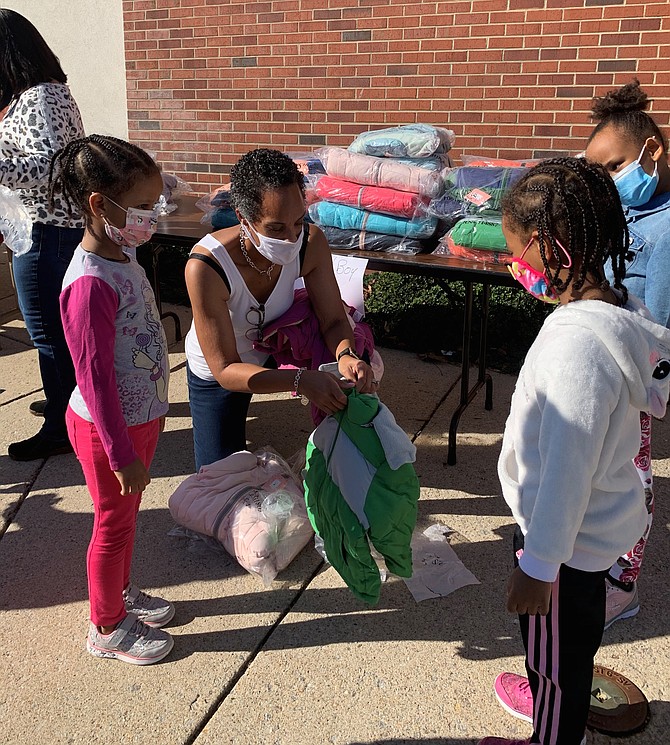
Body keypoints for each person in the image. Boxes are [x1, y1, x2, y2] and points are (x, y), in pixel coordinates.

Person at [479, 158, 670, 745]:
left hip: (562, 552)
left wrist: (537, 567)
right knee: (561, 656)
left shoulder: (576, 350)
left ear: (551, 246)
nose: (519, 269)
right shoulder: (616, 319)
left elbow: (565, 470)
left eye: (521, 255)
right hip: (578, 546)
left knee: (559, 673)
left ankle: (553, 738)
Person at [52, 135, 173, 665]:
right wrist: (119, 451)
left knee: (126, 517)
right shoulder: (88, 283)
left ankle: (120, 597)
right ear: (100, 205)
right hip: (109, 429)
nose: (152, 216)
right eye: (143, 207)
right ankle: (105, 626)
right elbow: (95, 378)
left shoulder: (121, 254)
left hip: (137, 418)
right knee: (112, 522)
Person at [184, 148, 377, 471]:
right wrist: (301, 381)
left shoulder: (310, 243)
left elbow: (332, 320)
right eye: (275, 229)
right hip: (224, 369)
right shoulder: (206, 266)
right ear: (243, 219)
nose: (290, 238)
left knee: (354, 379)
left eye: (298, 222)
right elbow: (225, 369)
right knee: (219, 479)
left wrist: (346, 355)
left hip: (277, 343)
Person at [584, 79, 670, 628]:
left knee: (633, 477)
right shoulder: (631, 217)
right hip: (610, 368)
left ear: (651, 153)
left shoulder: (665, 229)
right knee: (606, 471)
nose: (611, 183)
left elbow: (659, 326)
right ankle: (602, 558)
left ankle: (622, 583)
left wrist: (647, 387)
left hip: (636, 378)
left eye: (615, 167)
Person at [0, 9, 85, 460]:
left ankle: (61, 428)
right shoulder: (36, 95)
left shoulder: (41, 98)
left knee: (50, 335)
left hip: (48, 234)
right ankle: (64, 402)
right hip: (43, 232)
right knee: (56, 333)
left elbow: (51, 169)